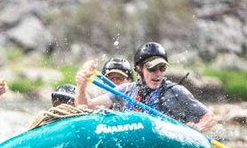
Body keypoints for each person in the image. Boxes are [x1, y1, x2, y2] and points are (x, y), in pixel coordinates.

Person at [75, 42, 215, 133]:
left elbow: (209, 117)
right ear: (139, 69)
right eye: (152, 69)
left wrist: (199, 127)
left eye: (162, 68)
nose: (158, 73)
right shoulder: (125, 90)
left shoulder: (175, 92)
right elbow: (86, 106)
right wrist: (81, 86)